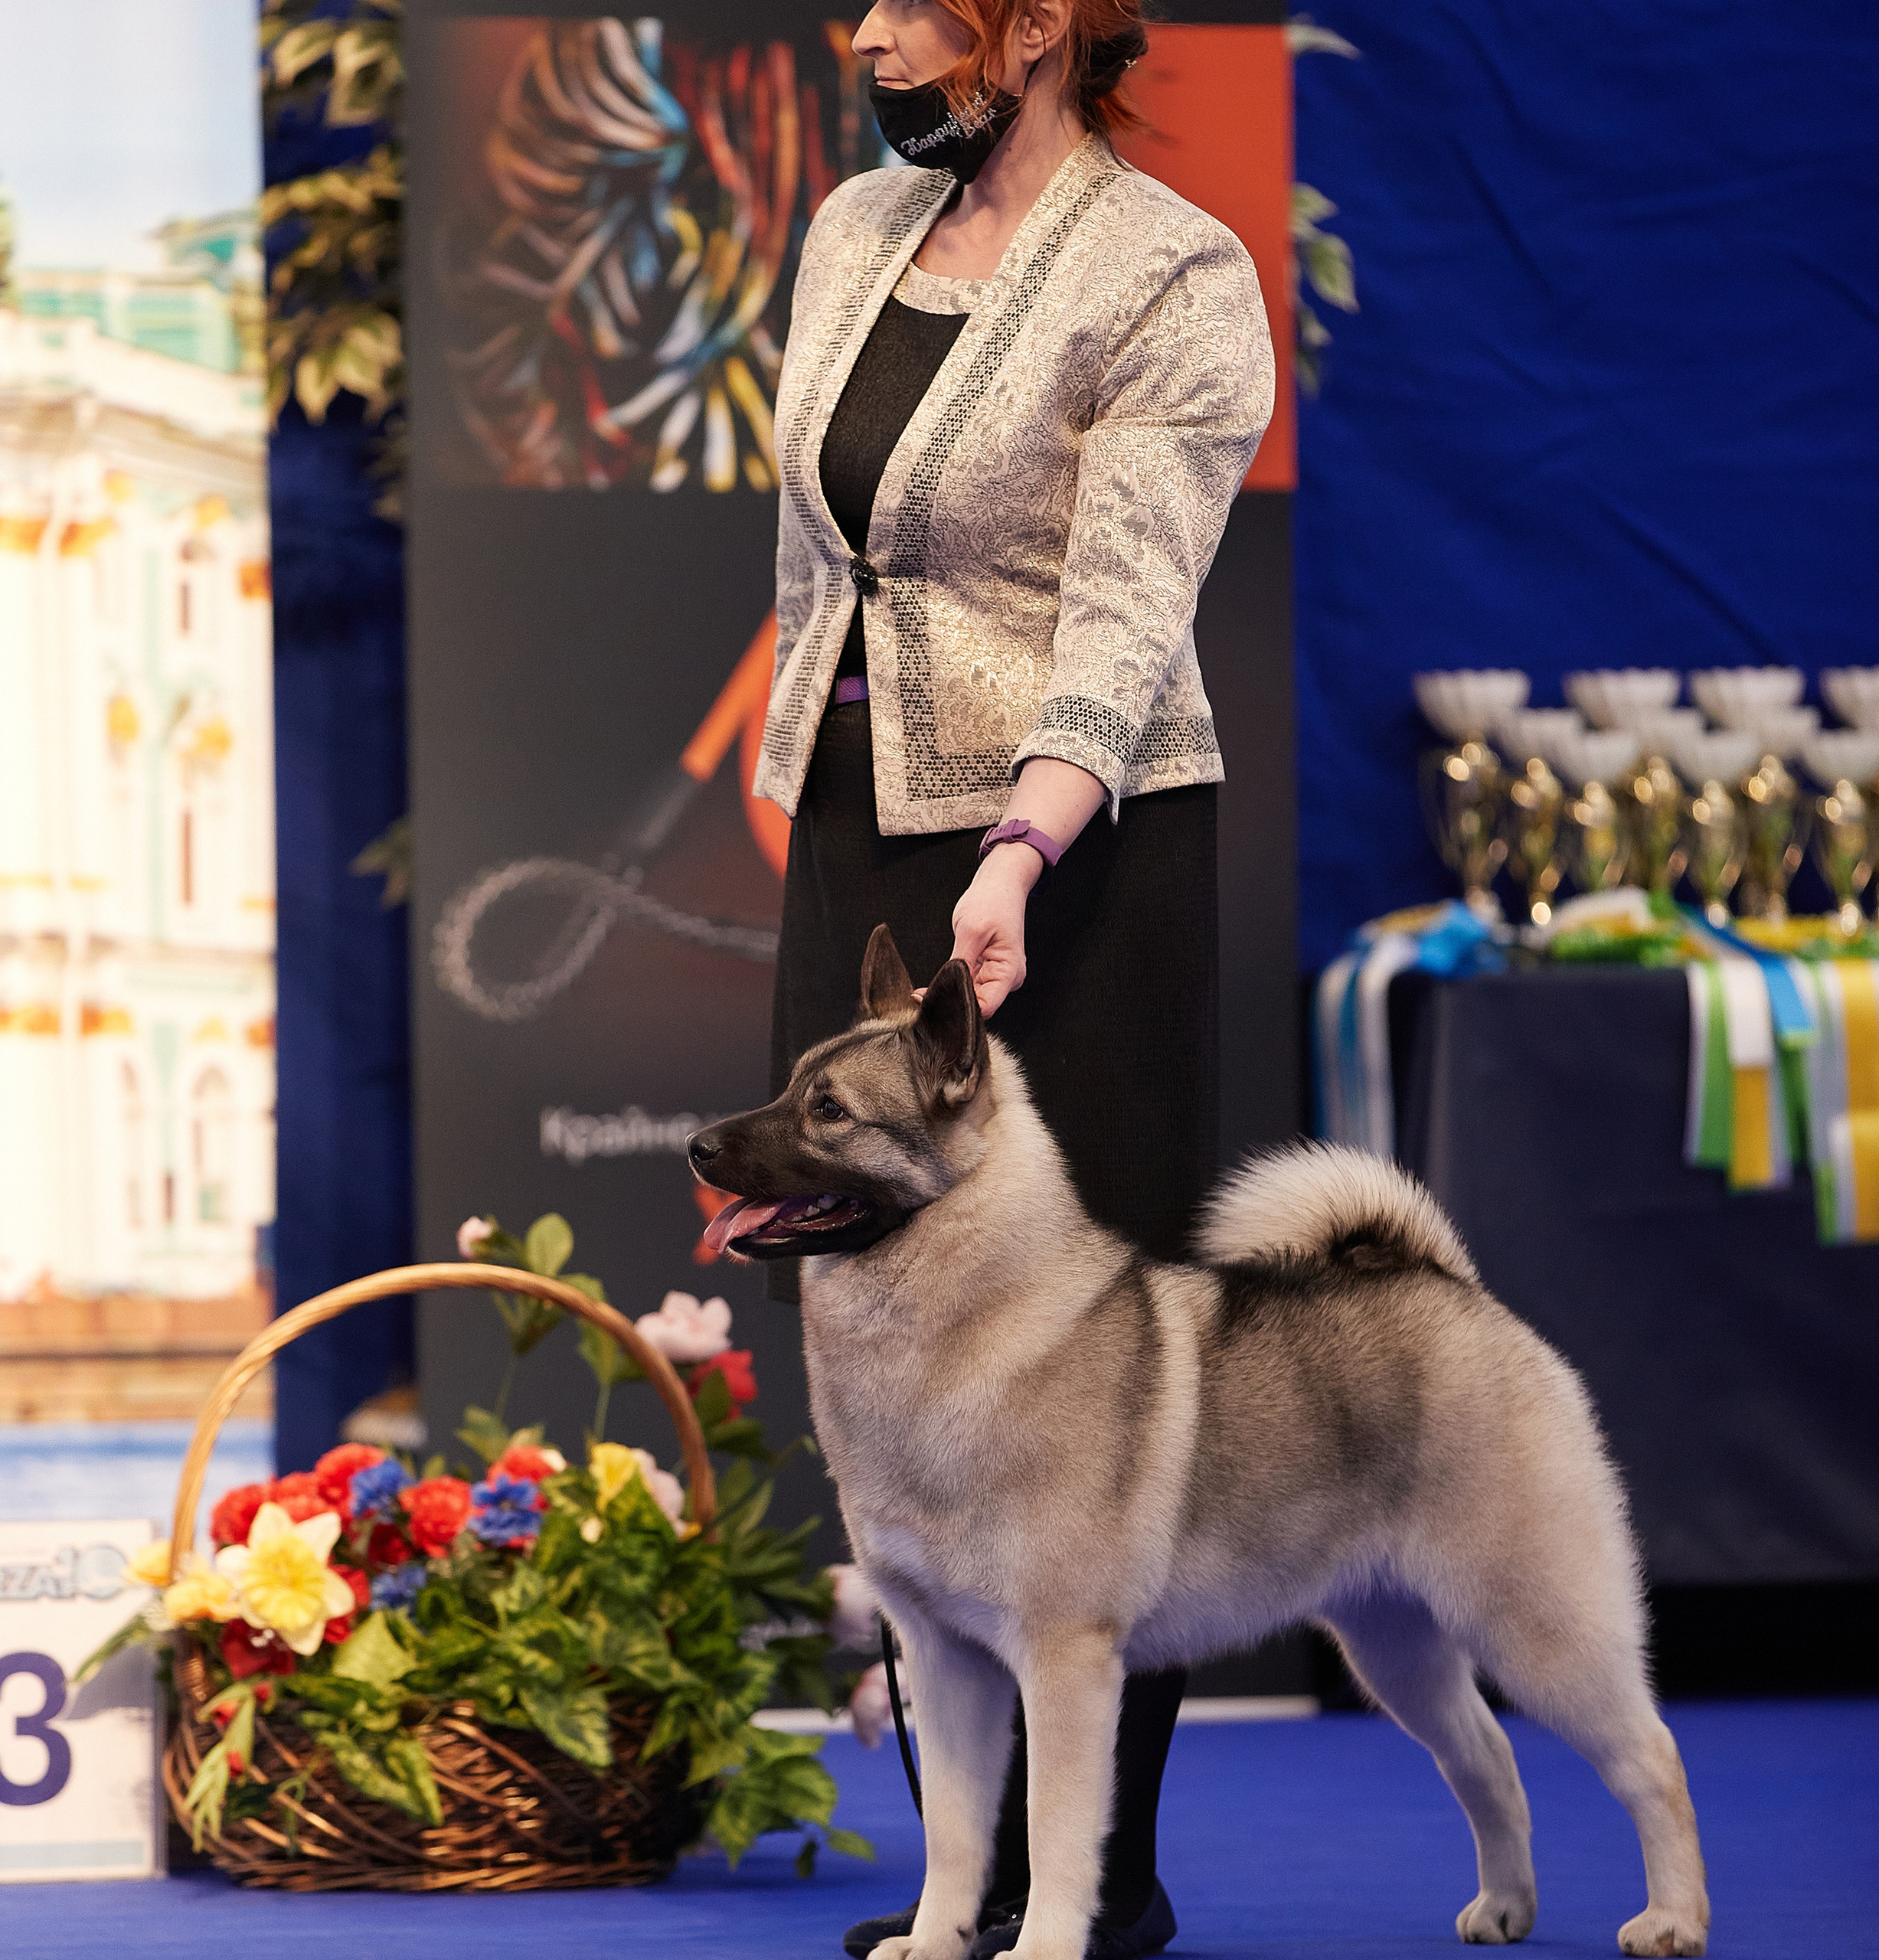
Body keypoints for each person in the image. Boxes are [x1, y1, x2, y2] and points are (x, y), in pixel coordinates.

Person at [753, 2, 1274, 1954]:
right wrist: (799, 728)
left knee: (1086, 1383)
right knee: (873, 1343)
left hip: (1084, 844)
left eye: (906, 8)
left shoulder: (1170, 270)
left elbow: (1129, 605)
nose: (866, 38)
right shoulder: (845, 237)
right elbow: (834, 547)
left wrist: (1024, 840)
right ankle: (955, 1885)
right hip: (864, 826)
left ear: (1032, 26)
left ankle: (1100, 1884)